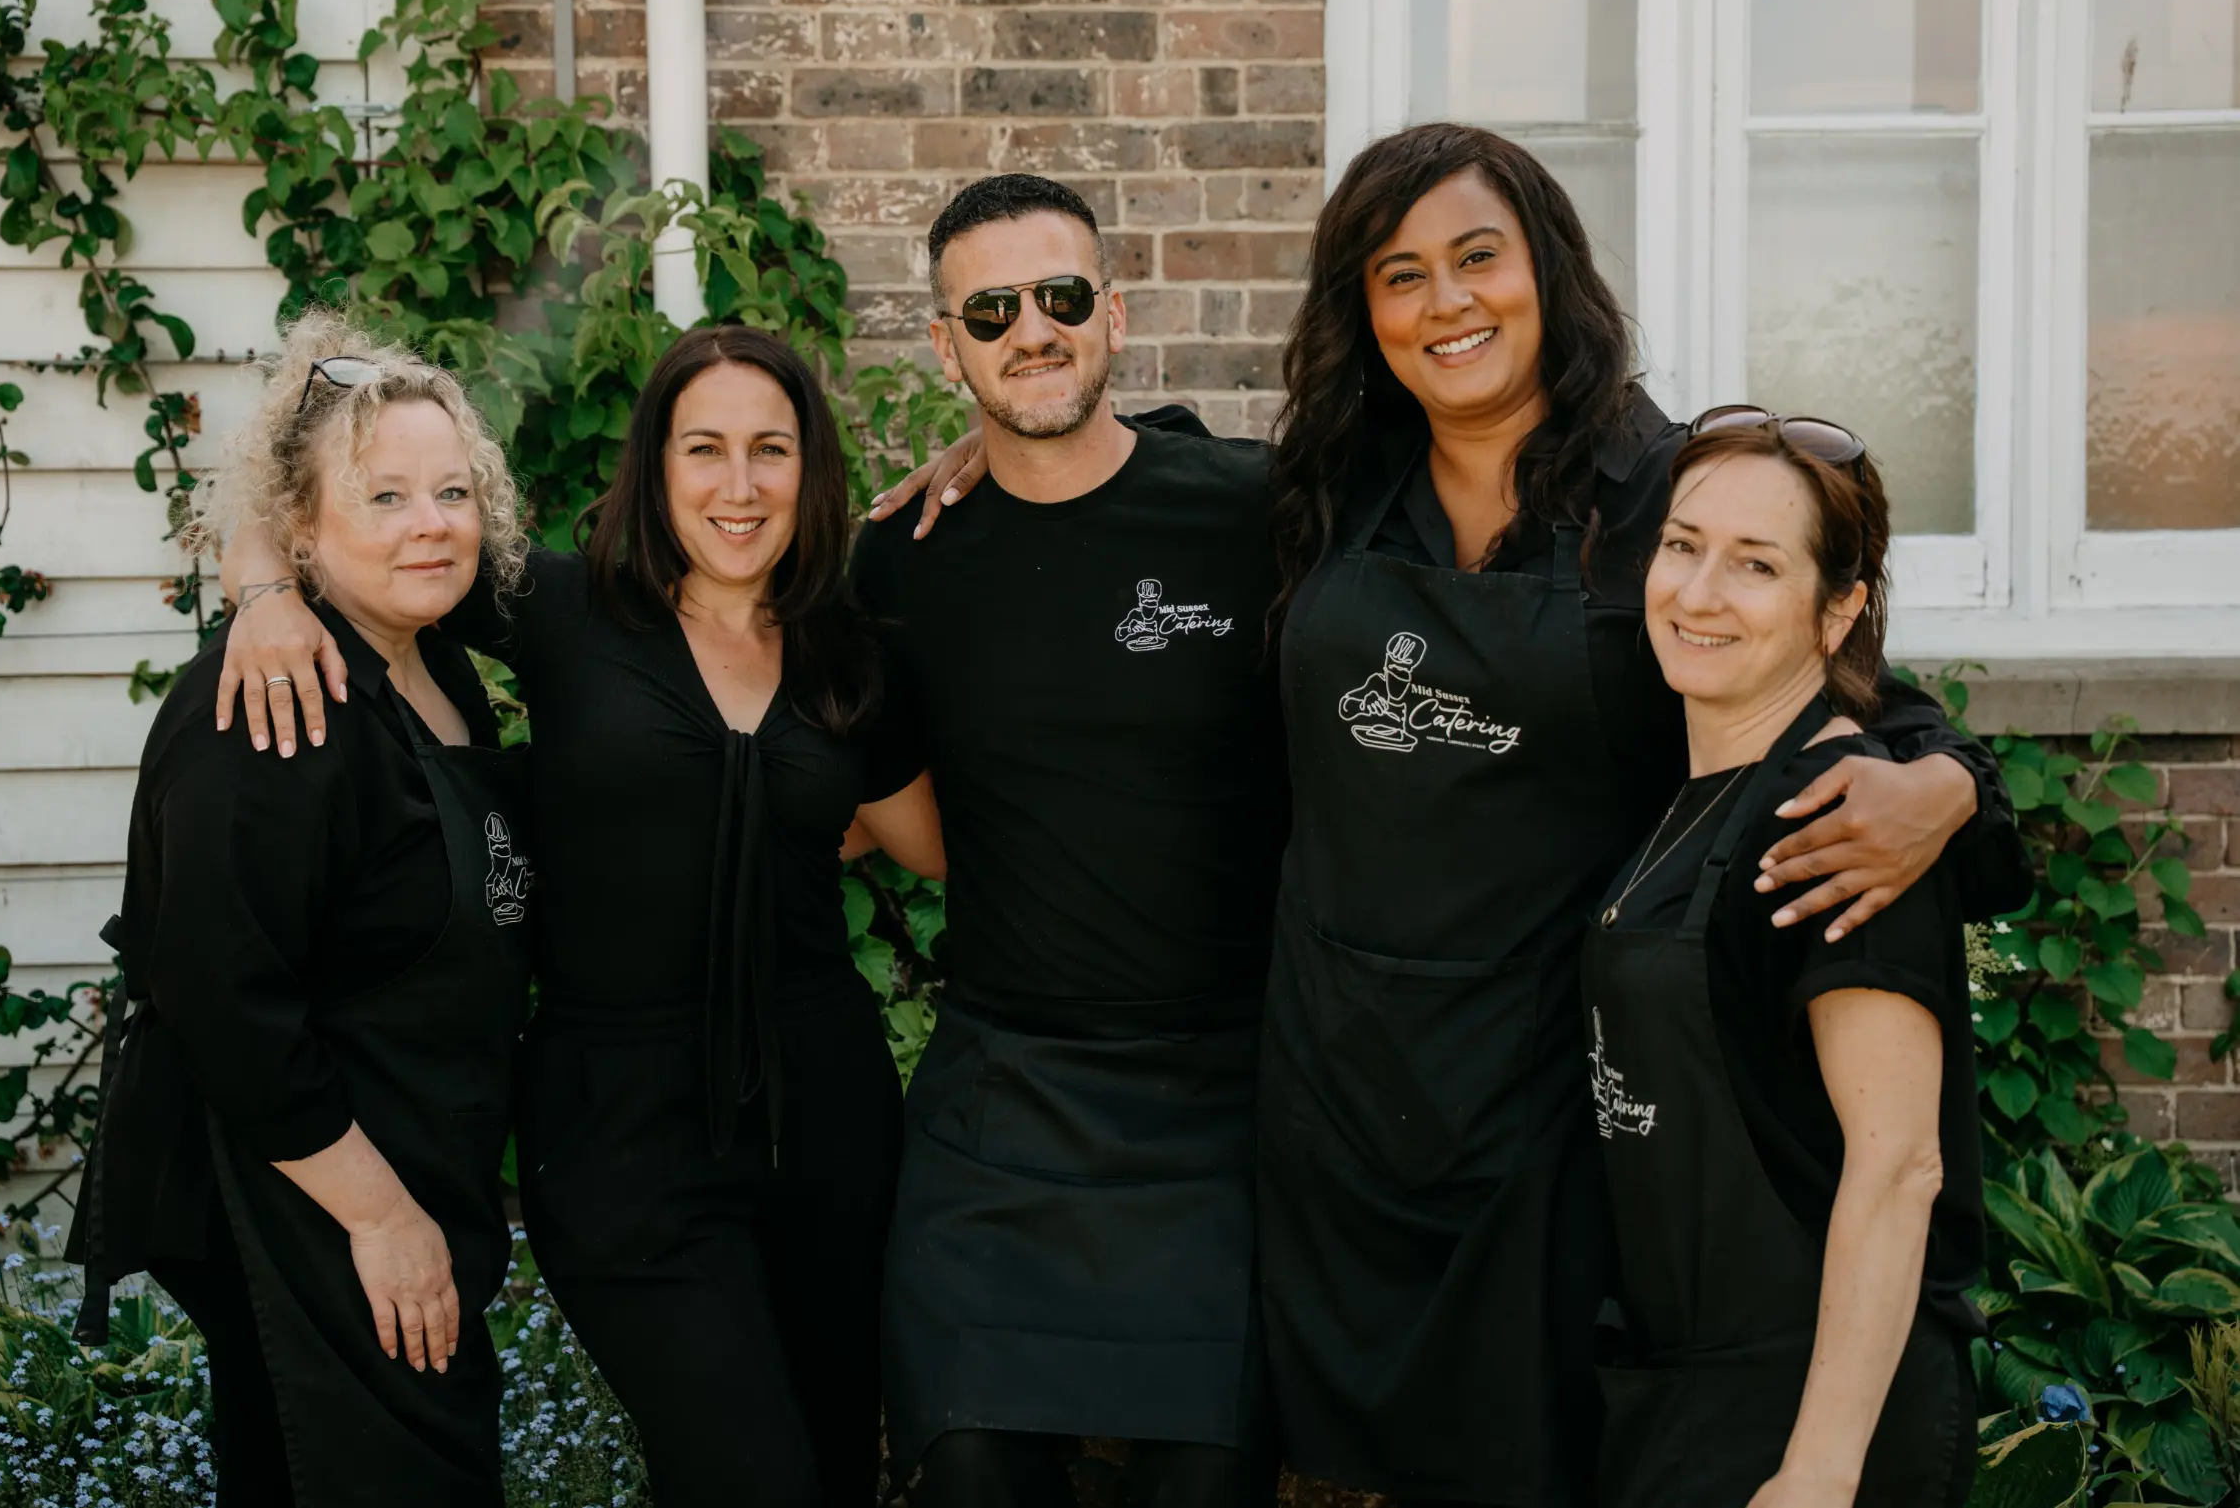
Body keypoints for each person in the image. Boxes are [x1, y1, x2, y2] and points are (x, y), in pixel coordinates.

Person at [872, 126, 2026, 1507]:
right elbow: (1128, 479)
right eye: (1399, 274)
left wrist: (1947, 778)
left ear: (1547, 270)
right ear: (1363, 315)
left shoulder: (1661, 496)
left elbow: (1830, 678)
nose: (1447, 301)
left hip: (1550, 1112)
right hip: (1333, 1106)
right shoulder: (1326, 489)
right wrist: (990, 434)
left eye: (1477, 257)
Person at [210, 325, 943, 1507]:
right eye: (703, 448)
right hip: (617, 1136)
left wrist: (792, 818)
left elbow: (929, 844)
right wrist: (262, 589)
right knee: (746, 1478)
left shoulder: (850, 656)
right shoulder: (561, 606)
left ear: (813, 469)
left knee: (830, 1472)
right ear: (653, 467)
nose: (739, 484)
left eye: (772, 449)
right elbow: (341, 518)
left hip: (829, 1122)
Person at [853, 174, 1288, 1507]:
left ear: (1113, 310)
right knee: (969, 1466)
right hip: (1006, 1098)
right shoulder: (901, 563)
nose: (1027, 331)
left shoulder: (1255, 511)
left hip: (1220, 1100)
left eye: (1058, 298)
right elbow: (918, 834)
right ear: (943, 343)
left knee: (1208, 1475)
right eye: (988, 310)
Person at [73, 312, 534, 1507]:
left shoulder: (434, 658)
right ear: (304, 533)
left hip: (408, 1159)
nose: (431, 522)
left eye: (452, 489)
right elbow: (224, 995)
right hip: (303, 1192)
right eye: (384, 497)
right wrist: (381, 1220)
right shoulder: (275, 704)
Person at [1583, 408, 1980, 1508]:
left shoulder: (1843, 819)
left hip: (1810, 1417)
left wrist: (1816, 1469)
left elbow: (1899, 1165)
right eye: (1680, 545)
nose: (1697, 593)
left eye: (1754, 565)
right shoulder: (1690, 791)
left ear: (1836, 608)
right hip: (1681, 1393)